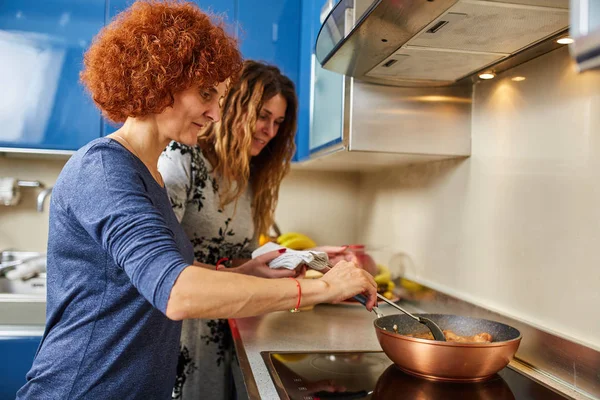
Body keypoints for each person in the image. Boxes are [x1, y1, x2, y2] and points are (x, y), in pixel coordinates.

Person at [16, 2, 377, 400]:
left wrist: (248, 275)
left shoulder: (148, 173)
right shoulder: (103, 169)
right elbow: (176, 291)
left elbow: (162, 273)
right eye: (206, 94)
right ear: (159, 79)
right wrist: (320, 289)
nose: (215, 114)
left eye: (220, 99)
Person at [158, 60, 368, 399]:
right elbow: (165, 270)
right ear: (232, 108)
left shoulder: (249, 176)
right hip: (182, 329)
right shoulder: (182, 159)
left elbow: (233, 263)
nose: (270, 131)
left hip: (230, 325)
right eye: (262, 116)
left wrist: (302, 258)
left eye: (278, 122)